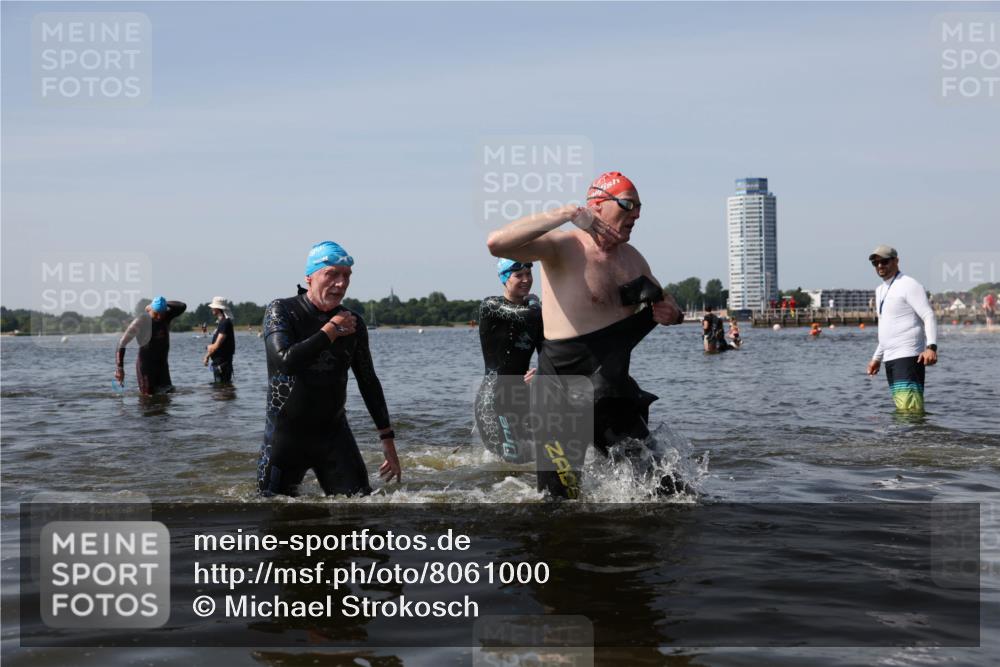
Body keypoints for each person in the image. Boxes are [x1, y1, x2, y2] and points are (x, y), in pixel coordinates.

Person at [486, 171, 686, 498]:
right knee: (558, 503)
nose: (636, 214)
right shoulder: (563, 247)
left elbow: (667, 305)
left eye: (639, 207)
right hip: (558, 399)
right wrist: (565, 213)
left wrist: (673, 315)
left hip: (611, 393)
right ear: (597, 206)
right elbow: (497, 243)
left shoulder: (634, 262)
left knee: (668, 493)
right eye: (628, 204)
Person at [258, 242, 400, 497]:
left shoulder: (353, 322)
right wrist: (331, 330)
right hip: (286, 438)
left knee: (361, 516)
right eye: (332, 274)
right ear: (310, 277)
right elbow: (285, 362)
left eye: (346, 276)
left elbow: (368, 381)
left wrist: (387, 440)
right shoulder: (282, 310)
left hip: (333, 435)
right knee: (273, 518)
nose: (341, 283)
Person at [475, 258, 543, 463]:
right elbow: (531, 315)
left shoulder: (535, 316)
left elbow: (548, 352)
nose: (526, 280)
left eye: (529, 274)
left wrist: (541, 371)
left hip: (521, 398)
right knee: (510, 462)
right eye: (518, 275)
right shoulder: (491, 306)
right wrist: (534, 299)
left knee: (529, 460)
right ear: (504, 278)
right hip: (493, 399)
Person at [865, 245, 938, 414]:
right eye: (875, 263)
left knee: (910, 410)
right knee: (902, 408)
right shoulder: (880, 290)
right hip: (890, 358)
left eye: (884, 261)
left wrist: (931, 347)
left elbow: (928, 315)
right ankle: (906, 440)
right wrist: (877, 357)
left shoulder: (909, 284)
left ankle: (918, 440)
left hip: (908, 355)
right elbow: (887, 327)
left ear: (896, 261)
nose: (880, 266)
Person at [115, 296, 187, 395]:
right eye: (156, 313)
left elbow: (182, 306)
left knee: (168, 394)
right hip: (146, 367)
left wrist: (165, 303)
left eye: (162, 313)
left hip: (162, 366)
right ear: (151, 310)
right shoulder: (142, 321)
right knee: (148, 398)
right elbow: (122, 343)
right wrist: (120, 368)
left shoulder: (166, 317)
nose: (159, 317)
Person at [203, 296, 236, 384]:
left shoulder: (225, 323)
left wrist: (207, 350)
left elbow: (216, 345)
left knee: (221, 392)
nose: (212, 309)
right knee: (221, 391)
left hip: (222, 365)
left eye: (213, 307)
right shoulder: (222, 323)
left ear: (218, 309)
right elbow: (217, 346)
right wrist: (208, 356)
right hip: (220, 364)